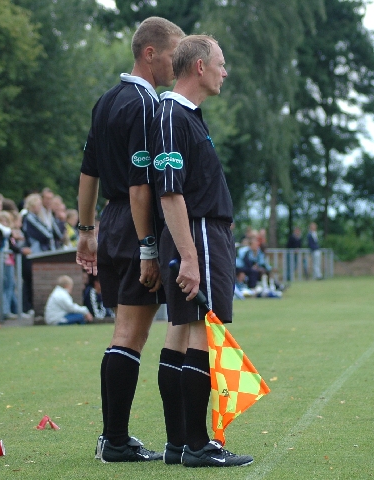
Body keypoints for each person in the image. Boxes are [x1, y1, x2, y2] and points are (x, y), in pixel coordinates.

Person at [76, 16, 184, 463]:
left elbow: (88, 173)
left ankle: (112, 438)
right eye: (175, 54)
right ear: (151, 53)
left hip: (111, 220)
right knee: (130, 335)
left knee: (125, 332)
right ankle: (114, 440)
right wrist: (148, 246)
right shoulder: (144, 103)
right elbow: (141, 185)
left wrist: (85, 232)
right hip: (134, 221)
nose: (178, 65)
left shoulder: (106, 100)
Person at [150, 34, 253, 467]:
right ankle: (197, 444)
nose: (224, 72)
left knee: (180, 330)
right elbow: (170, 193)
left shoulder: (184, 115)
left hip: (196, 235)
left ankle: (179, 444)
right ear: (199, 67)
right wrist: (190, 256)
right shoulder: (173, 112)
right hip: (199, 235)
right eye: (221, 63)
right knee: (199, 332)